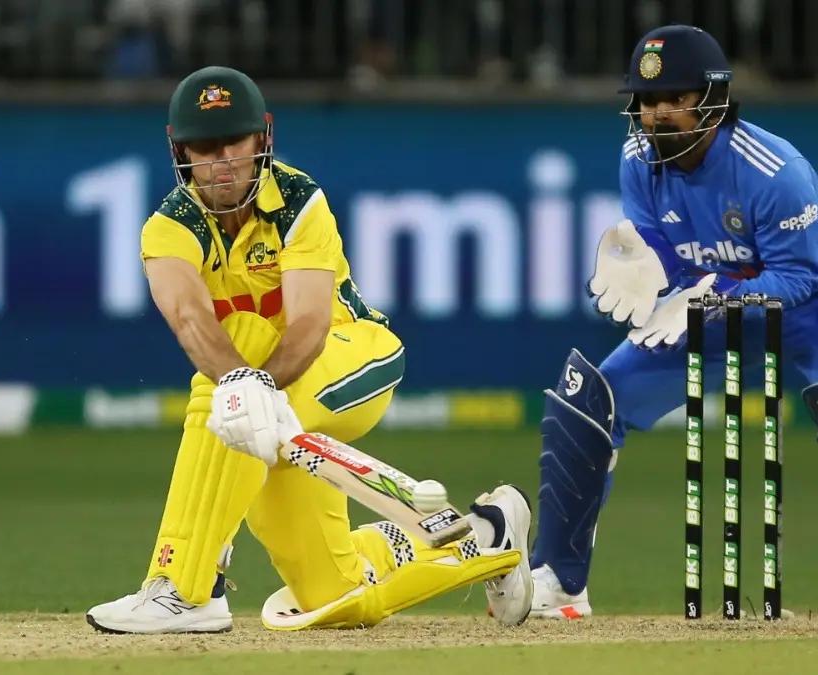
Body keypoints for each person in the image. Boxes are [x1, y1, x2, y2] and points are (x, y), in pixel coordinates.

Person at [526, 25, 818, 621]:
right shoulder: (637, 156)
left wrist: (708, 299)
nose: (658, 114)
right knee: (587, 402)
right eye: (647, 100)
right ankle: (558, 582)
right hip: (715, 299)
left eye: (675, 100)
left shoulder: (772, 171)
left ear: (711, 100)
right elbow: (662, 241)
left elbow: (796, 279)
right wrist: (647, 268)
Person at [87, 66, 533, 634]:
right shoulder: (167, 228)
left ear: (262, 141)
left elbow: (309, 326)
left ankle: (183, 587)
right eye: (204, 148)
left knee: (239, 358)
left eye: (234, 144)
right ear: (180, 151)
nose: (220, 162)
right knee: (336, 598)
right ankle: (488, 534)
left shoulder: (299, 202)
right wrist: (244, 387)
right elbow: (190, 319)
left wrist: (251, 386)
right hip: (267, 404)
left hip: (353, 359)